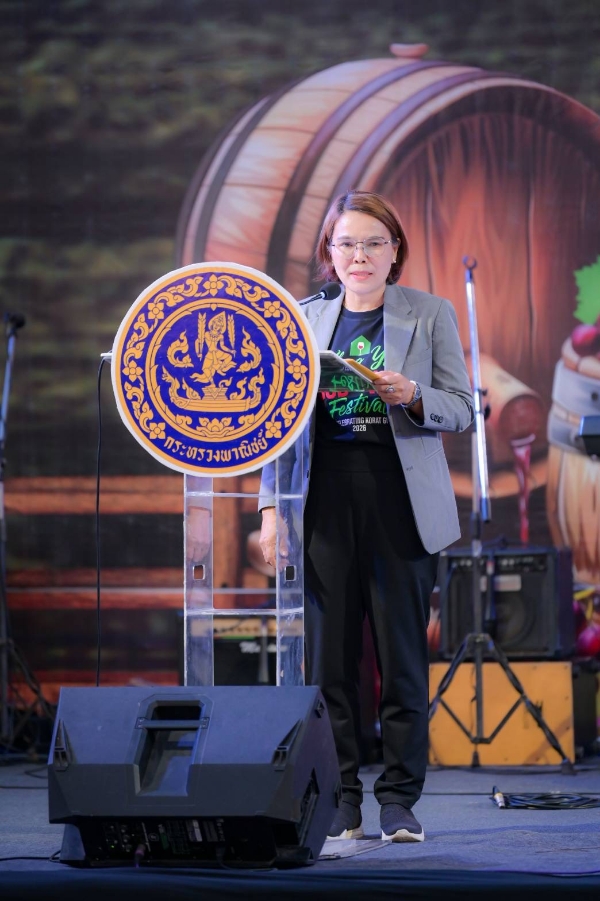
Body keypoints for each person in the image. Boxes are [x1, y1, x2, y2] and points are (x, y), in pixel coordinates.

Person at [259, 190, 473, 843]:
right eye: (347, 243)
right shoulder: (303, 319)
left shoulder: (429, 314)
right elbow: (277, 428)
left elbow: (463, 408)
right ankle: (342, 797)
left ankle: (399, 800)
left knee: (401, 657)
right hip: (324, 498)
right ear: (330, 252)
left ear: (394, 250)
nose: (360, 255)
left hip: (399, 498)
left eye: (374, 243)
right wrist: (270, 509)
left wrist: (415, 396)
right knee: (330, 662)